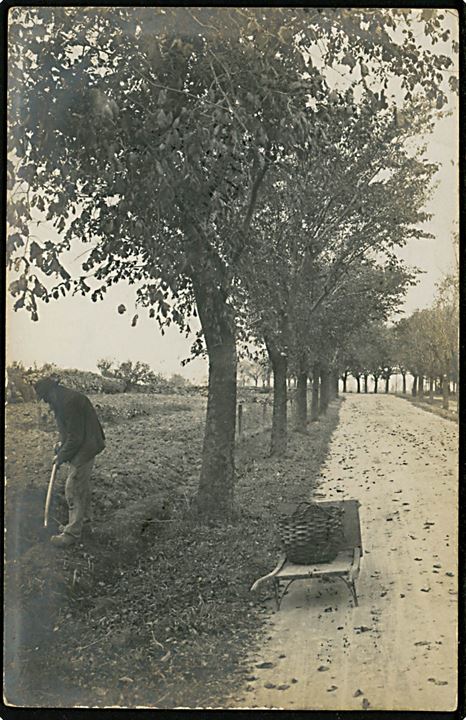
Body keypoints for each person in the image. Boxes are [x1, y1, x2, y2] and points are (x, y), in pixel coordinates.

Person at [34, 376, 106, 548]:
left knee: (73, 486)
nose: (45, 402)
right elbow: (66, 432)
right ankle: (84, 523)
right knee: (81, 485)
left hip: (87, 444)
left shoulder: (69, 402)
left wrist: (61, 457)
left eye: (45, 397)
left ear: (51, 391)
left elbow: (76, 437)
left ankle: (72, 533)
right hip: (82, 442)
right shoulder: (59, 401)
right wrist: (60, 444)